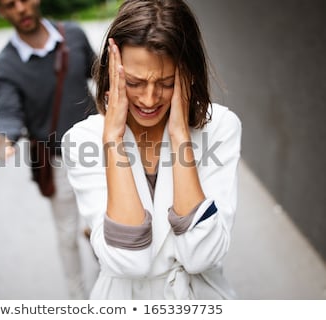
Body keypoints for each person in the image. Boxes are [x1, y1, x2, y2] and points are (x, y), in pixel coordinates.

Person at [62, 0, 242, 299]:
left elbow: (202, 255)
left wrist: (181, 135)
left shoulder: (220, 126)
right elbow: (127, 261)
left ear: (188, 74)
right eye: (134, 82)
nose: (149, 99)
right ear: (113, 72)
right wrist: (113, 143)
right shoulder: (84, 139)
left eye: (166, 83)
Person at [0, 0, 97, 299]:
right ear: (1, 12)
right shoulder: (4, 67)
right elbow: (9, 113)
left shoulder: (75, 35)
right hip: (56, 163)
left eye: (25, 0)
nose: (21, 9)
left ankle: (113, 279)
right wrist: (5, 137)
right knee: (67, 233)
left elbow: (101, 75)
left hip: (100, 153)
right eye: (9, 4)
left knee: (108, 223)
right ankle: (78, 299)